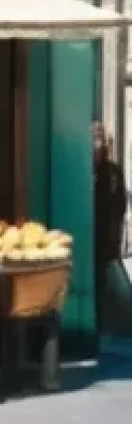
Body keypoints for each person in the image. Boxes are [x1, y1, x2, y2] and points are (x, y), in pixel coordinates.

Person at [92, 122, 127, 336]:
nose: (98, 143)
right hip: (90, 240)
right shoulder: (82, 171)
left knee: (111, 290)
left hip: (107, 242)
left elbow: (120, 206)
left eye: (101, 138)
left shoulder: (113, 172)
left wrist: (117, 238)